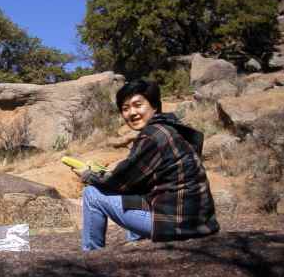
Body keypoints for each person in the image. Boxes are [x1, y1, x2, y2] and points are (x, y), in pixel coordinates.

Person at [74, 79, 219, 251]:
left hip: (178, 224)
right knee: (135, 194)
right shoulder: (171, 129)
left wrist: (88, 175)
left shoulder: (153, 135)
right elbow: (136, 179)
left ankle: (90, 255)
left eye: (138, 105)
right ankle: (137, 244)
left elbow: (123, 181)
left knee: (91, 194)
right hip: (199, 222)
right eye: (125, 108)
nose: (131, 113)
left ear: (155, 106)